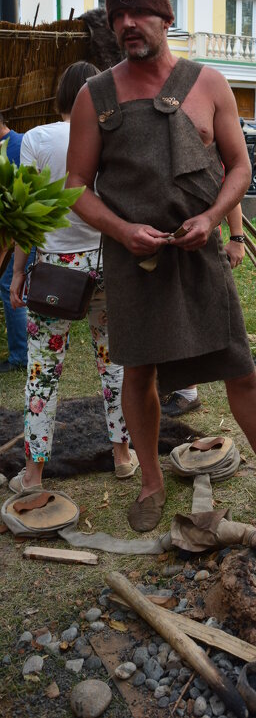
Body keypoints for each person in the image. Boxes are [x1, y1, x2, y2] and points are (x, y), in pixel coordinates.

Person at [64, 0, 256, 530]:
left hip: (200, 254)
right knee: (139, 370)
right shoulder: (93, 97)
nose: (129, 23)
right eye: (118, 13)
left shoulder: (207, 84)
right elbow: (75, 184)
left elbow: (240, 166)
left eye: (140, 12)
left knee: (238, 364)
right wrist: (123, 230)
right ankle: (151, 484)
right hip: (135, 260)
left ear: (166, 15)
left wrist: (212, 219)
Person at [8, 61, 136, 494]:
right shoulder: (110, 136)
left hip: (54, 274)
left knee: (42, 373)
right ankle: (122, 456)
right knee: (114, 363)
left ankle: (33, 474)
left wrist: (18, 273)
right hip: (107, 265)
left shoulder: (36, 140)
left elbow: (29, 218)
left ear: (61, 95)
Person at [160, 204, 245, 417]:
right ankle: (164, 384)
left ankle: (187, 392)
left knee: (189, 316)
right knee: (165, 317)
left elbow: (230, 183)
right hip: (161, 243)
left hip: (198, 244)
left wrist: (237, 238)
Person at [0, 114, 34, 373]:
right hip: (30, 228)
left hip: (27, 230)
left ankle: (21, 355)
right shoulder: (22, 141)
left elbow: (17, 205)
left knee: (11, 284)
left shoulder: (12, 150)